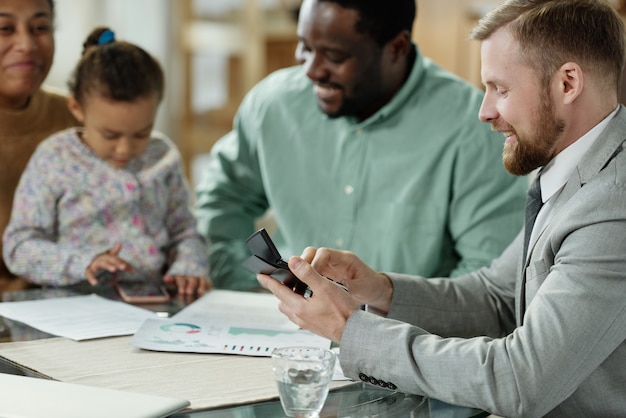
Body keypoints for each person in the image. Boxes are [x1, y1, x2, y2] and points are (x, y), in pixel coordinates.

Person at [258, 0, 626, 416]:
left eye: (501, 89)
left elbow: (520, 380)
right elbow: (499, 297)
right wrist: (380, 289)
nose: (485, 112)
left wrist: (350, 329)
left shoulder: (614, 206)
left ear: (567, 83)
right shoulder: (570, 168)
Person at [195, 0, 528, 290]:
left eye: (334, 56)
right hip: (280, 332)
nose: (311, 70)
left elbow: (487, 276)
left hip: (406, 341)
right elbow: (223, 201)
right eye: (305, 48)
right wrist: (244, 286)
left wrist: (387, 328)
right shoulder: (272, 105)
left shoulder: (474, 127)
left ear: (397, 47)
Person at [2, 27, 210, 296]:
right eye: (110, 135)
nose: (125, 148)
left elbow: (185, 232)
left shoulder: (163, 156)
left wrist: (189, 266)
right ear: (77, 108)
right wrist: (83, 262)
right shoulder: (54, 159)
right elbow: (19, 247)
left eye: (141, 133)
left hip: (155, 304)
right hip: (71, 307)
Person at [0, 0, 78, 295]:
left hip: (70, 305)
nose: (27, 44)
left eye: (40, 28)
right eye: (5, 28)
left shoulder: (79, 117)